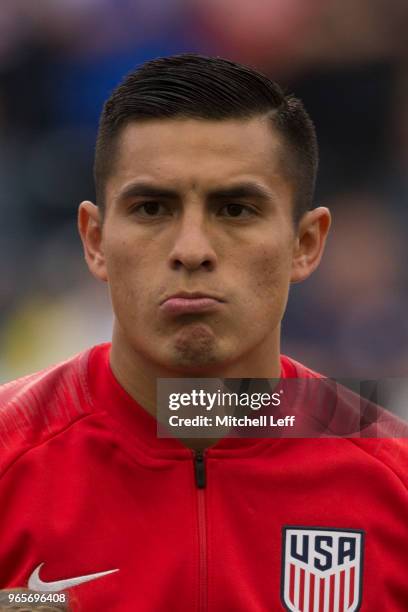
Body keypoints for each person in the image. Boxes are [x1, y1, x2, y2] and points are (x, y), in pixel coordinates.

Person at [0, 54, 407, 612]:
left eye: (235, 210)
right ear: (94, 240)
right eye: (151, 208)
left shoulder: (394, 481)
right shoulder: (9, 461)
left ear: (305, 243)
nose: (192, 249)